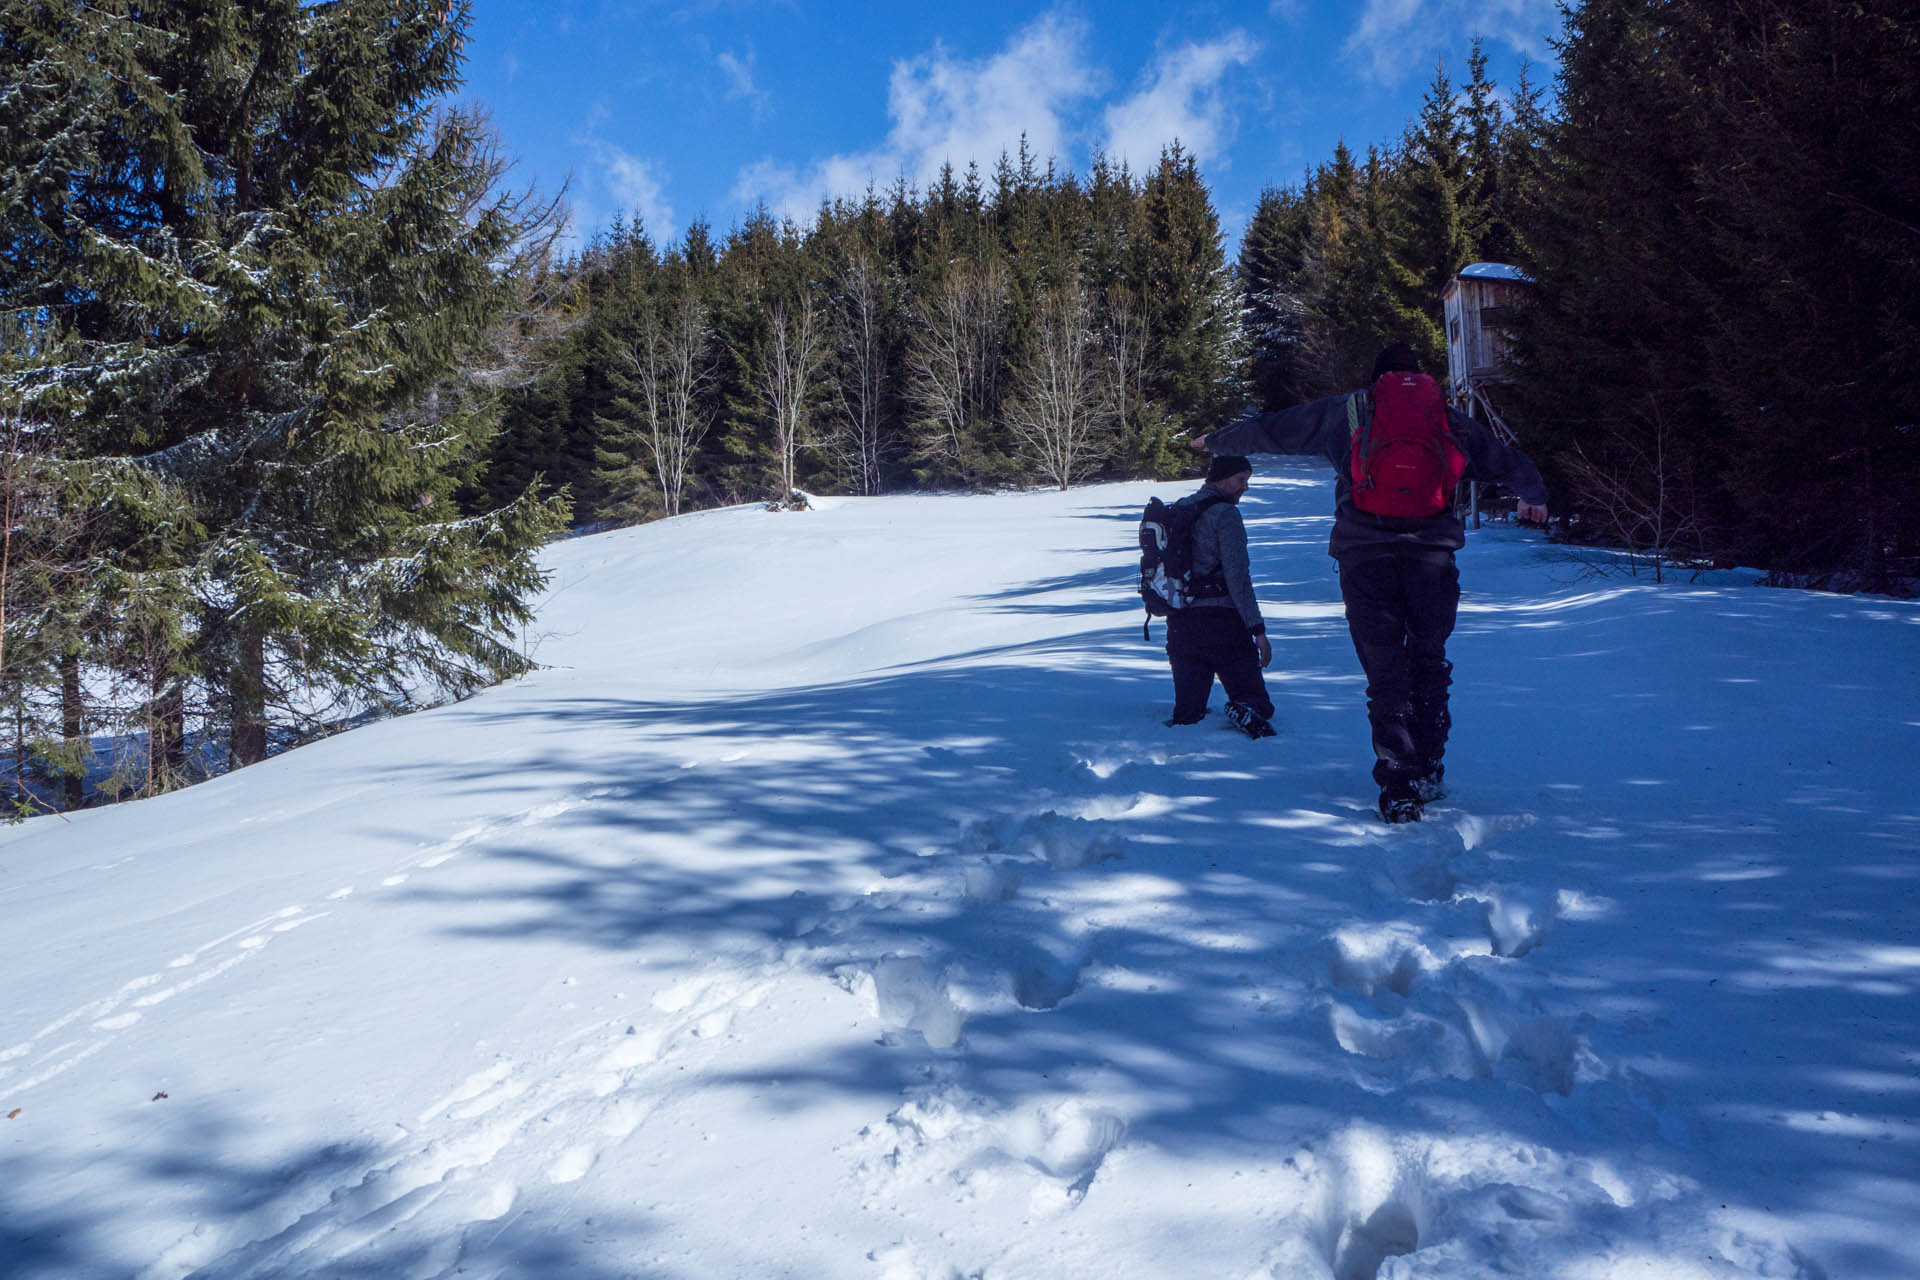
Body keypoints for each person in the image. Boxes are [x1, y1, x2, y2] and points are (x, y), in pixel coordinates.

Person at [1191, 344, 1549, 822]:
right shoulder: (1446, 417)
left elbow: (1276, 429)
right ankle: (1429, 767)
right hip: (1432, 558)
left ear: (1376, 378)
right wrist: (1533, 494)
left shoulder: (1350, 411)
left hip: (1364, 558)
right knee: (1429, 661)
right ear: (1417, 378)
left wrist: (1218, 441)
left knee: (1385, 674)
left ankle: (1398, 785)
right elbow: (1501, 458)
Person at [1163, 454, 1276, 737]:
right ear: (1222, 479)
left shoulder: (1180, 508)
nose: (1245, 487)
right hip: (1223, 623)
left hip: (1181, 622)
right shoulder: (1226, 515)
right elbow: (1238, 577)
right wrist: (1257, 630)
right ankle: (1246, 709)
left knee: (1188, 713)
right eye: (1241, 480)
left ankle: (1185, 724)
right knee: (1255, 701)